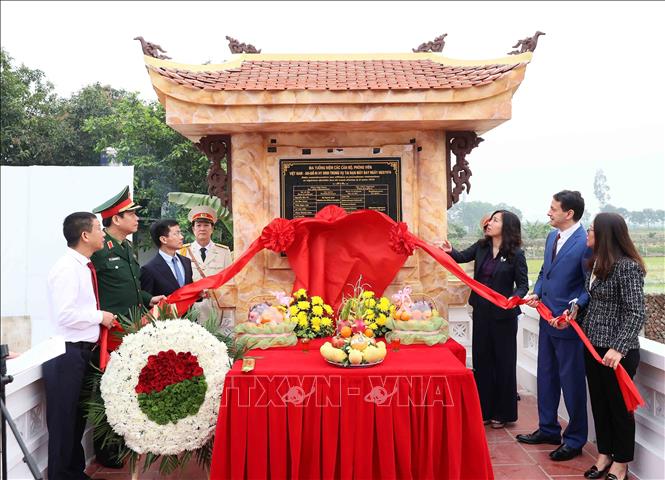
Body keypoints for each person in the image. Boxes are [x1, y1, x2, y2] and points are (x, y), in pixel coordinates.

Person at [90, 185, 164, 467]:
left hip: (131, 329)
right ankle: (107, 450)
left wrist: (149, 298)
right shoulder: (99, 250)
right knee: (106, 390)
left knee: (125, 387)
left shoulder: (126, 246)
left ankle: (123, 442)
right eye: (130, 214)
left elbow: (130, 287)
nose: (136, 218)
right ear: (115, 219)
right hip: (111, 332)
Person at [517, 190, 591, 462]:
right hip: (546, 320)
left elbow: (588, 286)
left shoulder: (585, 243)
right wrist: (537, 291)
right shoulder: (552, 237)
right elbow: (543, 273)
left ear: (569, 213)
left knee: (571, 384)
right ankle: (548, 428)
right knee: (546, 377)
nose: (548, 212)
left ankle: (574, 439)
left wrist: (575, 308)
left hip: (569, 327)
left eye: (553, 208)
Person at [42, 212, 116, 480]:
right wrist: (100, 316)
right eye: (99, 228)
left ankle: (74, 472)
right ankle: (61, 475)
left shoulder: (82, 265)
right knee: (63, 423)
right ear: (85, 235)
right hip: (65, 353)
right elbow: (65, 314)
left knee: (75, 420)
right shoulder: (66, 268)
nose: (103, 233)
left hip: (81, 352)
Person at [441, 210, 528, 428]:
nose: (489, 223)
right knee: (482, 360)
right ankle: (484, 409)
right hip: (481, 312)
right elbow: (461, 257)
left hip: (504, 317)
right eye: (490, 219)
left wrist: (513, 299)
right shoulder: (481, 247)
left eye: (495, 220)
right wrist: (449, 251)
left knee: (503, 363)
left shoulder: (516, 254)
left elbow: (523, 285)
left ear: (506, 227)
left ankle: (503, 413)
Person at [579, 213, 646, 480]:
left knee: (619, 408)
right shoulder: (596, 264)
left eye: (592, 230)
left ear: (605, 235)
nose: (588, 234)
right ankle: (604, 454)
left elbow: (635, 312)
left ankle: (622, 461)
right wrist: (575, 317)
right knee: (599, 403)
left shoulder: (627, 267)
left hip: (617, 353)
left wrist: (618, 347)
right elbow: (596, 304)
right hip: (593, 346)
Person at [178, 205, 234, 332]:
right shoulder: (183, 251)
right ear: (193, 229)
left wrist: (227, 314)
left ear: (212, 229)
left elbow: (229, 284)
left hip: (216, 309)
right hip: (192, 309)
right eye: (198, 225)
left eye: (206, 225)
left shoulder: (223, 252)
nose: (202, 229)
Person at [140, 219, 193, 296]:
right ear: (163, 239)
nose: (181, 237)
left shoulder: (186, 261)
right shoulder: (149, 269)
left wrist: (199, 294)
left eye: (180, 233)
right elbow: (148, 301)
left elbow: (188, 290)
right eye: (176, 234)